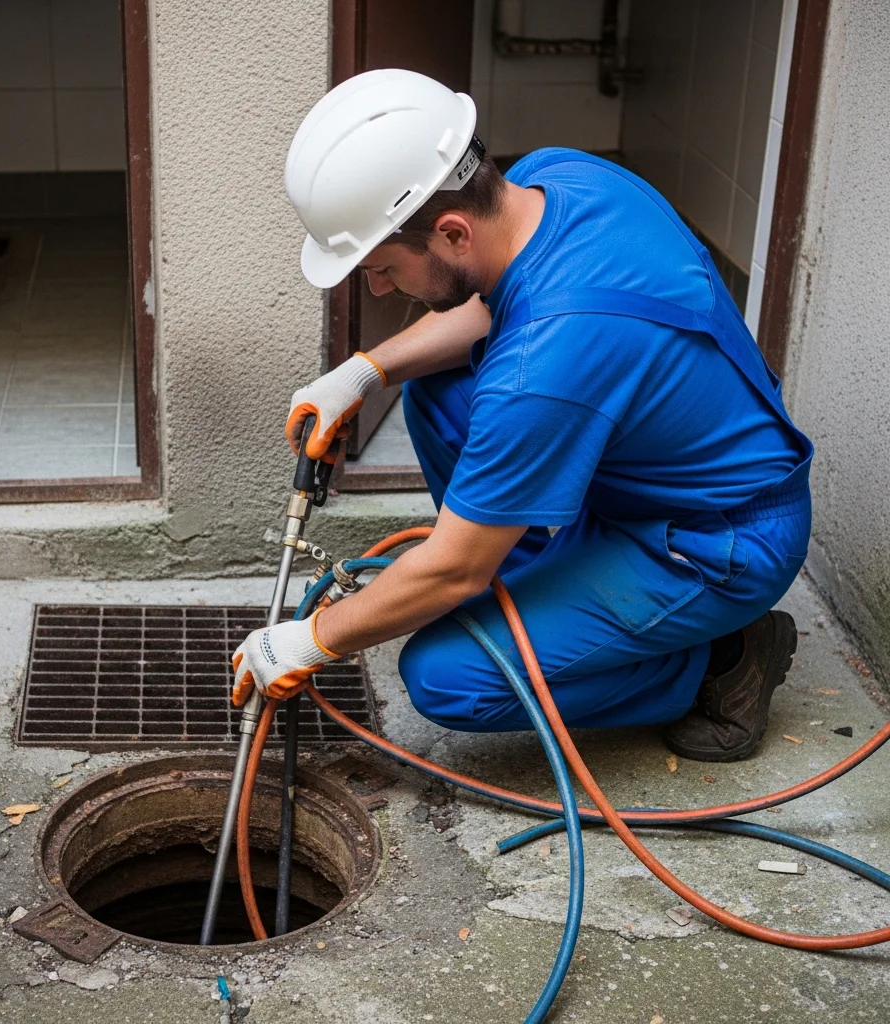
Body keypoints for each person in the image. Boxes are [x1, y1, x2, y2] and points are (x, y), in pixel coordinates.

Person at [231, 69, 813, 763]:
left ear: (450, 231)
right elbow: (492, 302)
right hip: (648, 473)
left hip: (715, 544)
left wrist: (312, 638)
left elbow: (451, 572)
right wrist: (364, 373)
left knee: (448, 679)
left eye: (382, 267)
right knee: (437, 393)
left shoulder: (544, 370)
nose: (379, 286)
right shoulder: (557, 180)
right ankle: (539, 593)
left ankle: (725, 660)